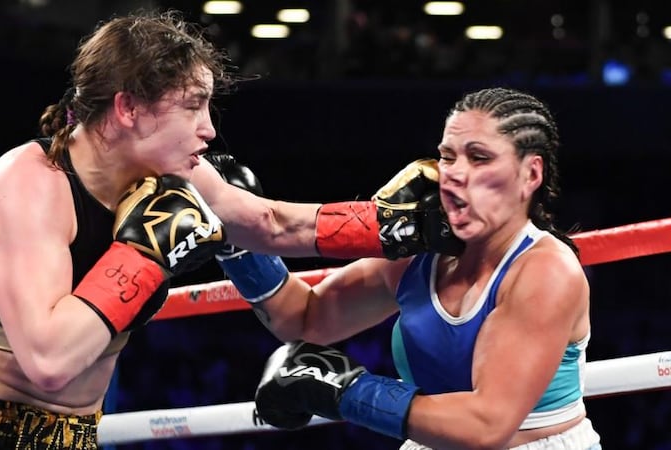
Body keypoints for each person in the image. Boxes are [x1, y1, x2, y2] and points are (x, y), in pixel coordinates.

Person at [0, 8, 456, 450]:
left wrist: (393, 224)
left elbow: (270, 223)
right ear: (129, 108)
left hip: (80, 437)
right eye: (194, 106)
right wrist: (145, 254)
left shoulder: (174, 176)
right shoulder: (26, 187)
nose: (210, 129)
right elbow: (48, 361)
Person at [240, 87, 601, 449]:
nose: (455, 173)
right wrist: (237, 246)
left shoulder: (546, 271)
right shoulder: (419, 257)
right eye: (448, 157)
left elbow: (486, 427)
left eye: (479, 158)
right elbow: (305, 318)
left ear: (530, 174)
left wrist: (347, 390)